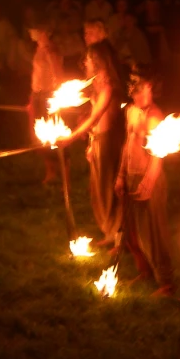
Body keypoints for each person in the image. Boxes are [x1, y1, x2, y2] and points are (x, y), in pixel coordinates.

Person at [59, 40, 126, 248]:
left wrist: (73, 135)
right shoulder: (94, 84)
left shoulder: (108, 86)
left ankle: (119, 235)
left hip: (108, 141)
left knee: (108, 187)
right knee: (97, 189)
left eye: (88, 58)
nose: (85, 62)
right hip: (97, 139)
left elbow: (97, 116)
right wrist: (89, 142)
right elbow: (90, 115)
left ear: (97, 60)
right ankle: (108, 231)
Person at [115, 65, 173, 296]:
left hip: (150, 180)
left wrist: (148, 183)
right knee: (132, 231)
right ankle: (145, 271)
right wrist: (121, 175)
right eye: (132, 90)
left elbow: (158, 154)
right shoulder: (131, 111)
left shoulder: (155, 117)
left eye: (138, 90)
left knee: (153, 232)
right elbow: (127, 145)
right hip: (131, 176)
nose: (134, 95)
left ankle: (166, 282)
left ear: (149, 87)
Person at [27, 22, 65, 184]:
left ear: (44, 31)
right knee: (40, 136)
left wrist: (55, 98)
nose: (30, 33)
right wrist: (31, 97)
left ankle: (64, 172)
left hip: (48, 97)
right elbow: (36, 74)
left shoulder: (50, 50)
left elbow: (59, 74)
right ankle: (50, 171)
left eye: (34, 29)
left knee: (54, 135)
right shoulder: (38, 49)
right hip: (38, 95)